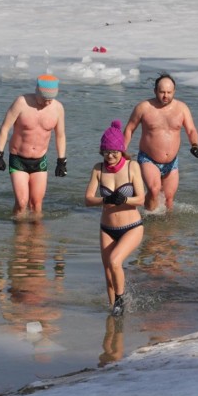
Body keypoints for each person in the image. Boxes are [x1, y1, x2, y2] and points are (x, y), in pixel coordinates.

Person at [85, 120, 145, 316]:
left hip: (132, 227)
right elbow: (88, 199)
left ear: (121, 151)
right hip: (107, 229)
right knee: (108, 274)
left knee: (115, 261)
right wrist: (106, 199)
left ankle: (120, 300)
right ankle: (114, 314)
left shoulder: (132, 166)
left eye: (114, 152)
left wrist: (124, 198)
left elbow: (141, 199)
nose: (110, 156)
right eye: (106, 152)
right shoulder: (98, 169)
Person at [0, 74, 67, 219]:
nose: (47, 103)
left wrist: (61, 161)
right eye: (44, 99)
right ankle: (19, 237)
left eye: (50, 99)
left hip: (40, 161)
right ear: (37, 91)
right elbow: (5, 128)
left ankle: (37, 238)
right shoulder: (21, 103)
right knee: (21, 202)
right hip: (18, 159)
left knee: (36, 204)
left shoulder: (57, 108)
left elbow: (60, 135)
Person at [123, 73, 198, 211]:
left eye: (169, 92)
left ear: (174, 91)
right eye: (162, 92)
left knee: (169, 198)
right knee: (154, 189)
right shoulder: (143, 107)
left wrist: (194, 145)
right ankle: (148, 219)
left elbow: (191, 130)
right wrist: (122, 151)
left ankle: (167, 228)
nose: (166, 96)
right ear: (155, 91)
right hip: (148, 159)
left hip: (172, 162)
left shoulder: (182, 108)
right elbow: (129, 129)